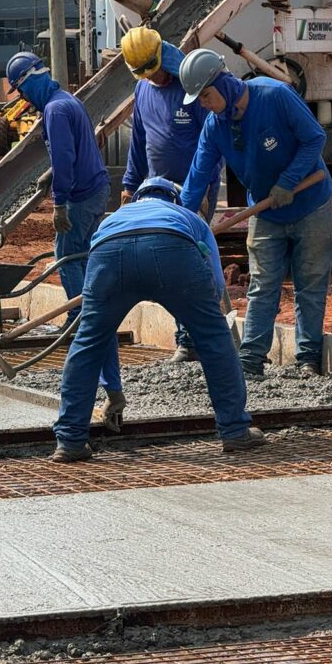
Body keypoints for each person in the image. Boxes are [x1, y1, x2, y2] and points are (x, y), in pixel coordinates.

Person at [51, 176, 266, 463]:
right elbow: (216, 285)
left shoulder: (111, 220)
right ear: (173, 199)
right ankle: (235, 431)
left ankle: (70, 440)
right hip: (172, 249)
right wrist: (202, 313)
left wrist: (114, 391)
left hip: (110, 253)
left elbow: (101, 339)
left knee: (89, 342)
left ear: (135, 199)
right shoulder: (187, 216)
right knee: (214, 339)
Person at [179, 49, 332, 378]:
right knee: (263, 285)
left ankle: (307, 358)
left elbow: (315, 139)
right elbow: (197, 177)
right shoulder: (215, 125)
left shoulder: (275, 95)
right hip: (266, 213)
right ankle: (251, 359)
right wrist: (183, 224)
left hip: (310, 204)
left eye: (206, 96)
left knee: (310, 284)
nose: (204, 104)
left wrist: (288, 182)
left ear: (224, 84)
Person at [5, 51, 122, 398]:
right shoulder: (67, 101)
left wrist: (60, 202)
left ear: (30, 81)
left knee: (67, 256)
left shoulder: (55, 111)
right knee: (83, 258)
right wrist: (53, 175)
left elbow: (65, 156)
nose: (22, 98)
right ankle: (91, 312)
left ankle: (81, 321)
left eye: (21, 90)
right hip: (97, 188)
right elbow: (75, 151)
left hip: (81, 196)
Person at [120, 26, 221, 362]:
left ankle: (199, 337)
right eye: (149, 74)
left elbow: (211, 142)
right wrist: (129, 185)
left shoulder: (190, 87)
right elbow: (139, 142)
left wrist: (203, 187)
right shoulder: (143, 89)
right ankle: (187, 337)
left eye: (158, 70)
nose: (157, 78)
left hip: (194, 189)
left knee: (193, 260)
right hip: (157, 191)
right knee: (170, 260)